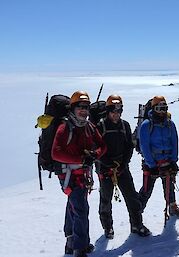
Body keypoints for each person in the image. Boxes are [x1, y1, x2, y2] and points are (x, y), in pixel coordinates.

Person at [52, 91, 107, 257]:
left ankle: (71, 243)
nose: (84, 110)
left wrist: (94, 155)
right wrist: (82, 158)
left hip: (81, 174)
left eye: (86, 107)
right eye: (80, 107)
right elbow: (56, 153)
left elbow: (102, 145)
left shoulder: (88, 126)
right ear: (73, 108)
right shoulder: (65, 127)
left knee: (74, 206)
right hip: (69, 176)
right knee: (81, 209)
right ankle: (80, 248)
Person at [96, 94, 150, 239]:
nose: (116, 114)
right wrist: (109, 164)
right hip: (105, 168)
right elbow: (98, 149)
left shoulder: (124, 125)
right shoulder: (100, 126)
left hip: (121, 168)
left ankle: (136, 225)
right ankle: (108, 227)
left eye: (118, 111)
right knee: (105, 200)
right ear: (108, 111)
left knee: (132, 197)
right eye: (113, 111)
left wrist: (123, 163)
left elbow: (129, 146)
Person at [138, 96, 179, 219]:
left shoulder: (170, 124)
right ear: (154, 108)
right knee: (146, 190)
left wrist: (173, 161)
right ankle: (137, 213)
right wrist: (151, 165)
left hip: (166, 161)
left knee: (169, 187)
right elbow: (145, 147)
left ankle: (172, 206)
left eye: (164, 108)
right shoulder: (146, 125)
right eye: (159, 108)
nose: (162, 111)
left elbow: (174, 143)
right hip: (152, 163)